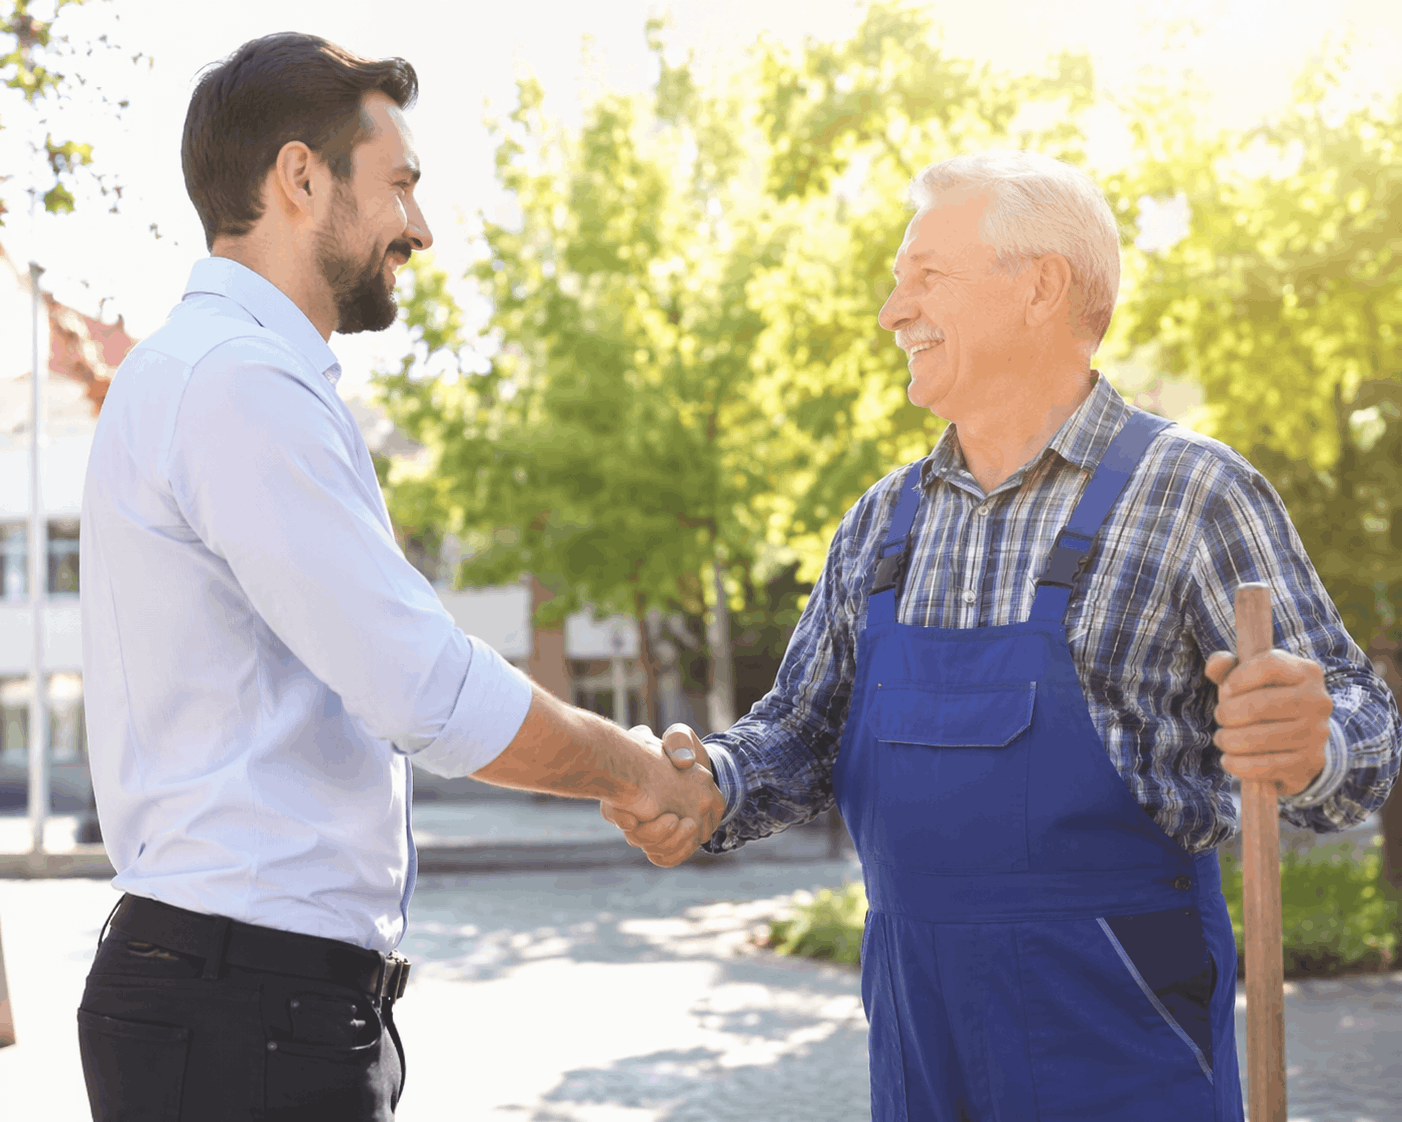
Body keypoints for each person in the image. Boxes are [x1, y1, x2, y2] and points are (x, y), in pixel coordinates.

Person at [608, 150, 1402, 1121]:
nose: (890, 313)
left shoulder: (1191, 493)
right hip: (917, 1019)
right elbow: (801, 731)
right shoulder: (881, 522)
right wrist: (709, 782)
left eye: (924, 275)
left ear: (1039, 288)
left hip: (1118, 1026)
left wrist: (1311, 742)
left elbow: (1364, 726)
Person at [76, 33, 721, 1122]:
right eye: (402, 186)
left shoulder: (227, 372)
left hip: (250, 1004)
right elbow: (423, 689)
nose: (419, 229)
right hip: (242, 1015)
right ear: (299, 177)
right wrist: (637, 774)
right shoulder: (236, 383)